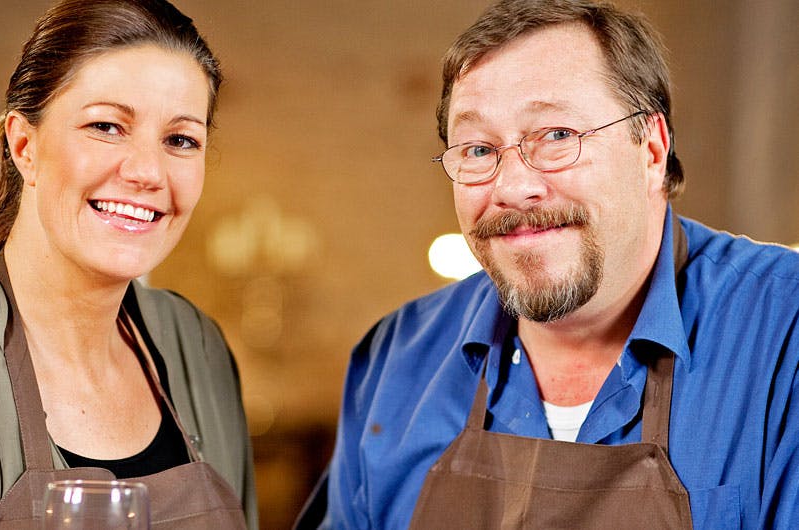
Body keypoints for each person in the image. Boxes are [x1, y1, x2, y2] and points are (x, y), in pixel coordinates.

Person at [320, 0, 799, 528]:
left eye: (557, 136)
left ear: (652, 151)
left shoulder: (783, 333)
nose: (513, 187)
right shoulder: (393, 363)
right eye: (478, 149)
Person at [0, 0, 258, 527]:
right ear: (24, 145)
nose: (147, 171)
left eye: (180, 140)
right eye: (106, 126)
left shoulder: (198, 349)